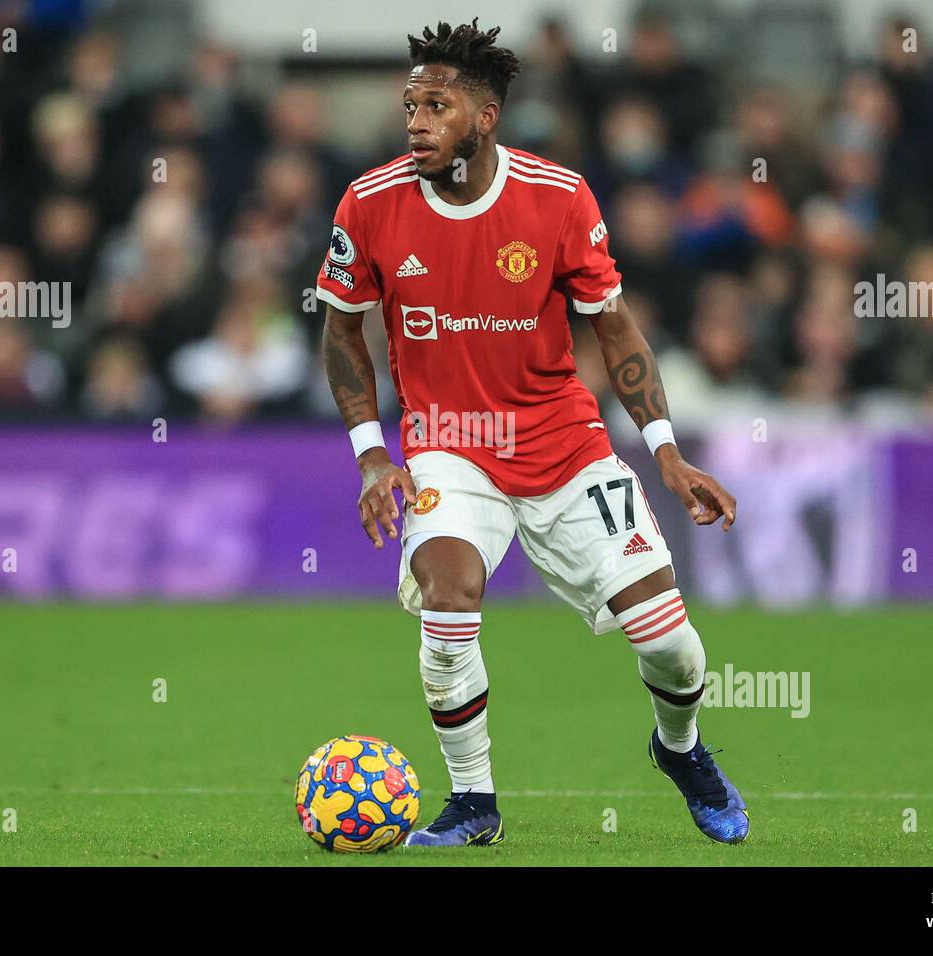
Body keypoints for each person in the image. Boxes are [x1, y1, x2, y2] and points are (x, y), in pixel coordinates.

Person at [317, 19, 748, 846]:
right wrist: (374, 455)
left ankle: (681, 750)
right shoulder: (368, 204)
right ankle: (473, 802)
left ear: (484, 118)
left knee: (675, 649)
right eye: (409, 104)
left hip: (563, 443)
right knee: (447, 607)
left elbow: (614, 330)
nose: (415, 120)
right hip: (446, 440)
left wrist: (665, 451)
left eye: (435, 105)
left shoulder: (558, 196)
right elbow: (342, 331)